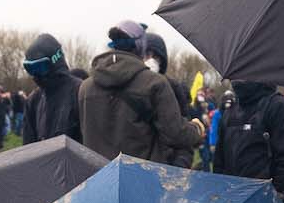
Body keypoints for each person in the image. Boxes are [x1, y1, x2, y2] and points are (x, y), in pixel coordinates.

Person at [78, 20, 205, 165]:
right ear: (141, 46)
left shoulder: (85, 88)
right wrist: (196, 129)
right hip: (142, 178)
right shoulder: (154, 83)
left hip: (100, 179)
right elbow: (175, 134)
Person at [210, 80, 284, 203]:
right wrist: (220, 192)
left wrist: (277, 194)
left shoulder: (279, 107)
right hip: (231, 200)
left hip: (268, 200)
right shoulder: (230, 112)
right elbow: (219, 161)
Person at [20, 34, 84, 145]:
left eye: (40, 67)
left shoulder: (80, 92)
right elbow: (28, 147)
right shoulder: (34, 100)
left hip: (75, 160)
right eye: (30, 69)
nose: (36, 74)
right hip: (44, 161)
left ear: (55, 61)